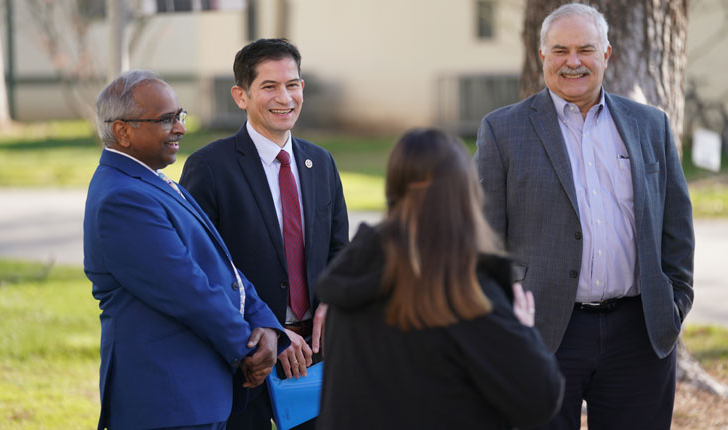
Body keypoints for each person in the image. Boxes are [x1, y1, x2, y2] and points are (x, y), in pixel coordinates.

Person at [475, 3, 694, 429]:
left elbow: (677, 229)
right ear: (542, 56)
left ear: (606, 54)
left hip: (640, 333)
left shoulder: (651, 125)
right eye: (559, 50)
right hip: (542, 333)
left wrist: (674, 303)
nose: (572, 62)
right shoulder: (503, 130)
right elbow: (485, 240)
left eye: (585, 50)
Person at [316, 128, 564, 430]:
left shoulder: (353, 277)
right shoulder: (465, 289)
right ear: (466, 195)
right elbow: (538, 400)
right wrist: (524, 330)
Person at [84, 69, 289, 430]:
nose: (179, 128)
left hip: (195, 397)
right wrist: (250, 349)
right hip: (167, 401)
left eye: (179, 116)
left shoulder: (151, 178)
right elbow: (188, 290)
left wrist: (266, 325)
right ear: (122, 131)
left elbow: (222, 267)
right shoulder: (123, 199)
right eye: (165, 120)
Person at [179, 38, 349, 430]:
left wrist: (332, 301)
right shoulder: (210, 167)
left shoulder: (321, 162)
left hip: (317, 358)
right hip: (248, 357)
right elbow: (202, 268)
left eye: (292, 85)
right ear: (241, 95)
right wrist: (268, 330)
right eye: (269, 87)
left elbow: (341, 250)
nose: (284, 97)